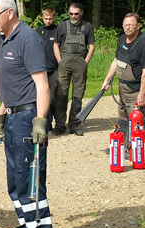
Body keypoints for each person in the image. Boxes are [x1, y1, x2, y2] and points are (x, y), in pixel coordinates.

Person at [0, 0, 53, 228]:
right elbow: (11, 84)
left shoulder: (28, 38)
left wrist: (40, 122)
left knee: (30, 181)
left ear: (10, 12)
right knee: (15, 181)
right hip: (13, 118)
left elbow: (42, 85)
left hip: (28, 119)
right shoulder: (5, 39)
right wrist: (2, 113)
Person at [101, 13, 145, 146]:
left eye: (131, 24)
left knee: (137, 119)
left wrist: (142, 95)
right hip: (122, 87)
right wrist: (107, 80)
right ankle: (122, 146)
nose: (127, 27)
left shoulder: (144, 43)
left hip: (137, 89)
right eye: (125, 25)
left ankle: (136, 148)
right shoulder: (122, 39)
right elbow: (116, 61)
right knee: (123, 117)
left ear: (138, 26)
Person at [53, 2, 95, 136]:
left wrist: (85, 62)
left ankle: (74, 125)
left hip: (80, 64)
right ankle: (60, 125)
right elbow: (56, 44)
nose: (73, 16)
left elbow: (92, 46)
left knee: (78, 95)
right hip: (64, 63)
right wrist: (60, 61)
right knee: (61, 94)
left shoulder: (87, 26)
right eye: (71, 13)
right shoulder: (62, 25)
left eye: (76, 13)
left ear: (81, 13)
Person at [36, 7, 60, 134]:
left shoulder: (57, 30)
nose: (48, 21)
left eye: (50, 19)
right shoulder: (38, 31)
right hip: (40, 69)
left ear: (54, 17)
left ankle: (58, 121)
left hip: (54, 68)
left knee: (54, 98)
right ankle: (47, 123)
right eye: (46, 19)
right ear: (42, 17)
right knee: (43, 97)